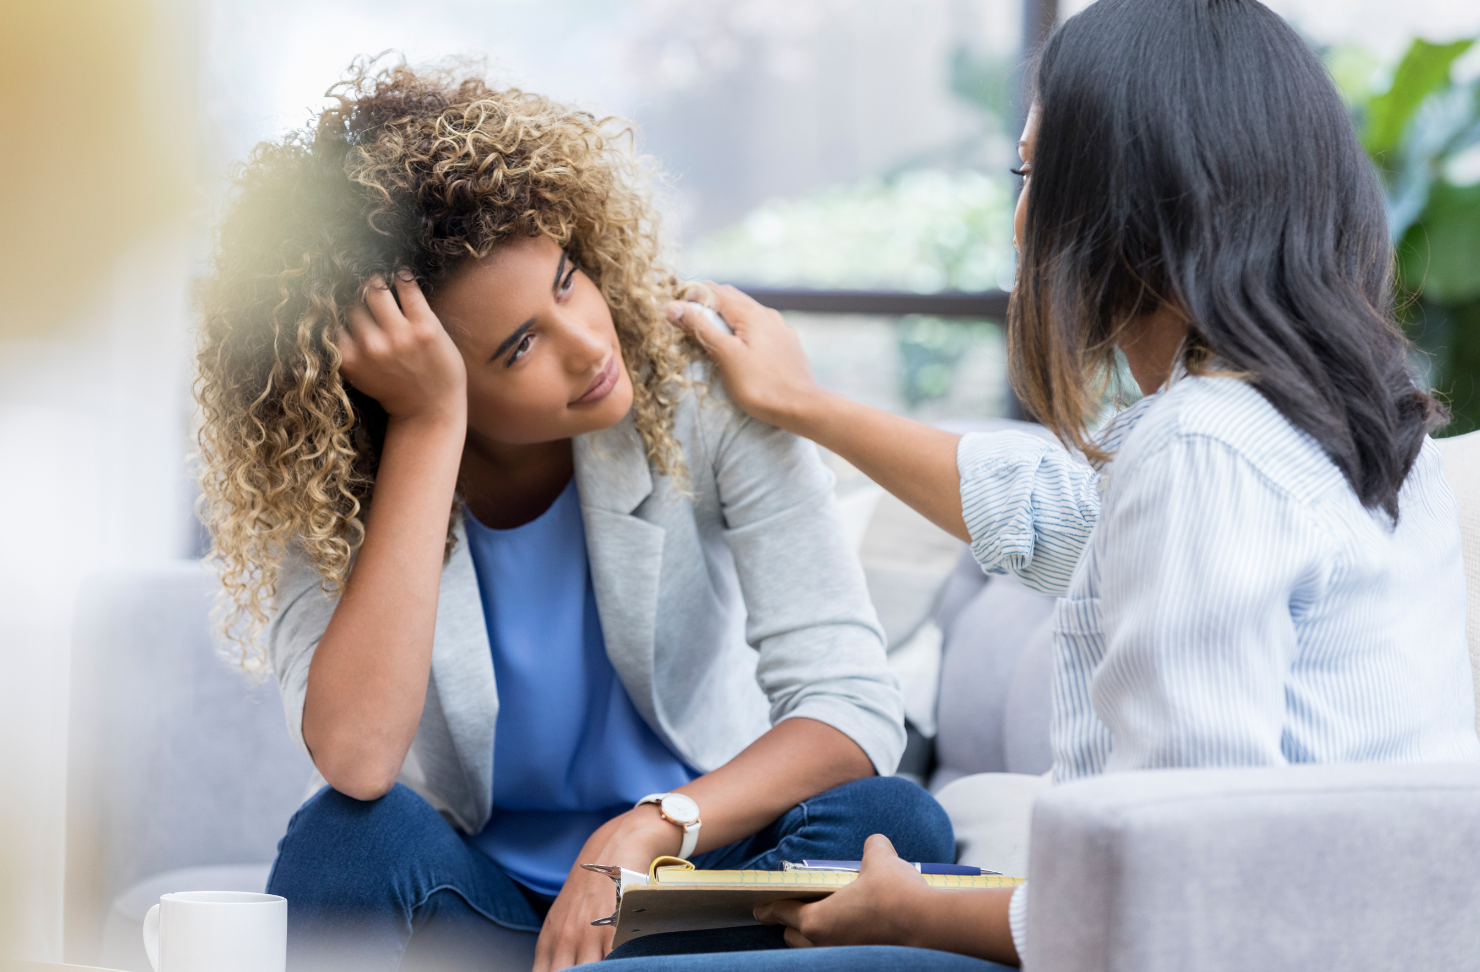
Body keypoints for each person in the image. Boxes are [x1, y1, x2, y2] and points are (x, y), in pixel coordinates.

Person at [631, 0, 1480, 968]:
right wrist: (805, 407)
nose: (1021, 212)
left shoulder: (1203, 449)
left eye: (1032, 172)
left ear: (1129, 199)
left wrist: (911, 914)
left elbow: (1178, 886)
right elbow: (1053, 516)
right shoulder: (1358, 434)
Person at [194, 61, 953, 972]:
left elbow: (851, 704)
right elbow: (356, 761)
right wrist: (431, 426)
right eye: (520, 347)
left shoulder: (702, 390)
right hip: (483, 904)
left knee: (894, 822)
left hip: (693, 886)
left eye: (566, 279)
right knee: (344, 839)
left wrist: (648, 829)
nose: (590, 343)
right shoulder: (324, 479)